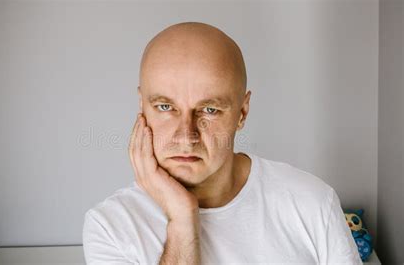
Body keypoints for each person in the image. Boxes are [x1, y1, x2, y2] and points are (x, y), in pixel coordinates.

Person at [83, 21, 362, 264]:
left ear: (242, 112)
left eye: (209, 110)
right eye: (165, 107)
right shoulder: (110, 227)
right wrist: (182, 218)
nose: (186, 136)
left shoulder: (313, 203)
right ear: (142, 107)